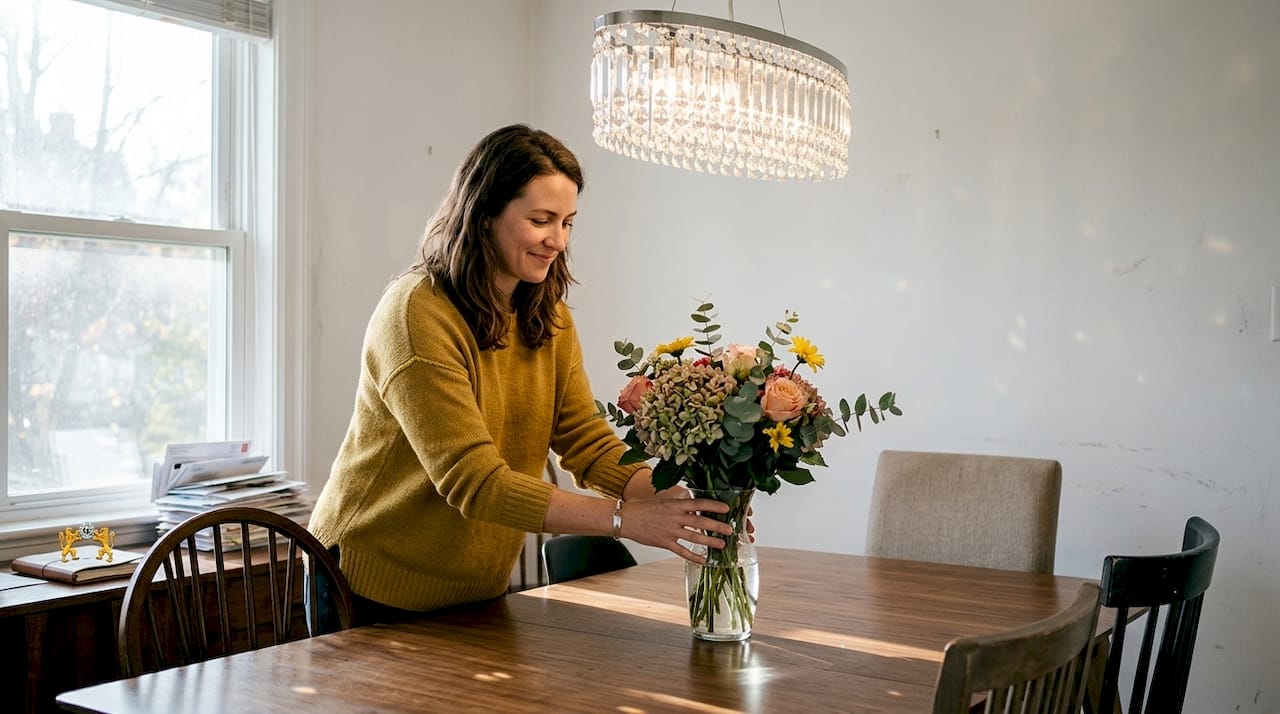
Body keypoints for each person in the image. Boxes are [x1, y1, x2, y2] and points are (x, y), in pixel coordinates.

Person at [308, 124, 734, 627]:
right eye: (541, 219)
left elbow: (585, 440)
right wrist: (625, 521)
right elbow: (475, 481)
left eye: (569, 222)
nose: (558, 240)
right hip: (369, 581)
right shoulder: (416, 314)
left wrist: (675, 502)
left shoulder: (546, 314)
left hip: (478, 586)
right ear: (485, 213)